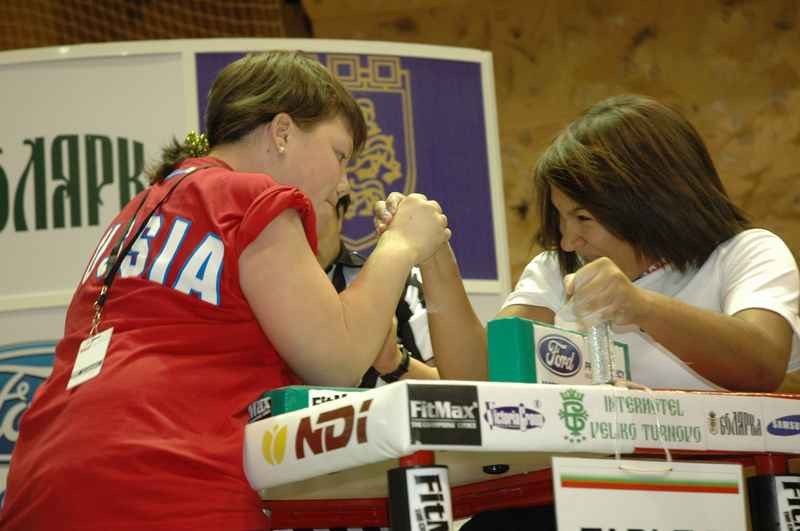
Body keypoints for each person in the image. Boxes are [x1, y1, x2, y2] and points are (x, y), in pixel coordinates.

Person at [0, 51, 450, 531]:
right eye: (339, 155)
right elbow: (335, 358)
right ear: (281, 132)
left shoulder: (137, 211)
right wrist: (400, 245)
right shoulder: (254, 197)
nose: (343, 182)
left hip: (40, 486)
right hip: (167, 486)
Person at [377, 94, 800, 529]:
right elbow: (485, 382)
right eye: (562, 219)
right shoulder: (555, 271)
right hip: (570, 497)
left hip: (708, 503)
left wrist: (641, 306)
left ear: (650, 203)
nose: (567, 241)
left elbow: (762, 362)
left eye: (583, 218)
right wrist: (435, 258)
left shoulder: (746, 253)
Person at [318, 185, 438, 386]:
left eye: (311, 204)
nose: (300, 216)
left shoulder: (400, 281)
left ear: (340, 213)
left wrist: (393, 362)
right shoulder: (264, 287)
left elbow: (456, 389)